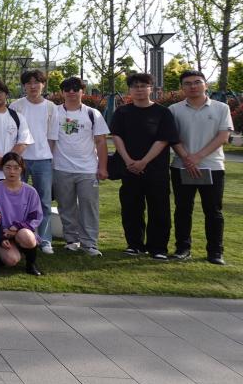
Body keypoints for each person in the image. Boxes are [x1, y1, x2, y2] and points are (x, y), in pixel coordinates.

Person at [111, 72, 179, 260]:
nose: (139, 90)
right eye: (135, 86)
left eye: (143, 86)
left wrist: (144, 162)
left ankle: (158, 248)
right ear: (129, 90)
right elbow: (117, 137)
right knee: (131, 209)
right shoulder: (122, 112)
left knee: (159, 209)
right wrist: (128, 160)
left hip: (156, 170)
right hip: (129, 169)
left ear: (151, 89)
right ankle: (134, 244)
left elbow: (163, 140)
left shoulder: (163, 113)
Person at [169, 70, 233, 265]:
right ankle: (182, 248)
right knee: (183, 210)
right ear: (182, 87)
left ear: (206, 84)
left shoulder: (221, 108)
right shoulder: (174, 110)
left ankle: (215, 252)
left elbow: (223, 136)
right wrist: (187, 159)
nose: (193, 86)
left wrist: (197, 157)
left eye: (197, 82)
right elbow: (172, 138)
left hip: (212, 167)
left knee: (213, 211)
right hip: (181, 167)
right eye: (187, 83)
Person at [48, 76, 109, 257]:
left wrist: (102, 167)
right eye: (67, 89)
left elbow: (101, 141)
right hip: (61, 167)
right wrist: (49, 166)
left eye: (76, 88)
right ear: (62, 92)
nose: (72, 92)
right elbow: (51, 141)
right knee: (65, 206)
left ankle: (89, 243)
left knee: (88, 206)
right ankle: (71, 240)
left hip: (88, 169)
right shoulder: (55, 112)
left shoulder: (92, 114)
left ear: (83, 91)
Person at [10, 69, 58, 254]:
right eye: (29, 83)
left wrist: (47, 154)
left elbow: (52, 136)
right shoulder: (16, 106)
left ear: (43, 84)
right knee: (17, 200)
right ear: (24, 86)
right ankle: (17, 236)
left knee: (44, 201)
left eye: (36, 82)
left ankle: (45, 240)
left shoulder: (51, 107)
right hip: (19, 160)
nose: (33, 86)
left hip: (43, 160)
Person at [0, 152, 44, 276]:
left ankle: (31, 264)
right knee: (11, 260)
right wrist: (1, 237)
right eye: (8, 167)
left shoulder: (30, 191)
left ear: (22, 169)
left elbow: (35, 217)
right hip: (3, 232)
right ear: (2, 168)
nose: (12, 171)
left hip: (22, 231)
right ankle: (4, 255)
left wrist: (17, 227)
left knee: (28, 238)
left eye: (16, 168)